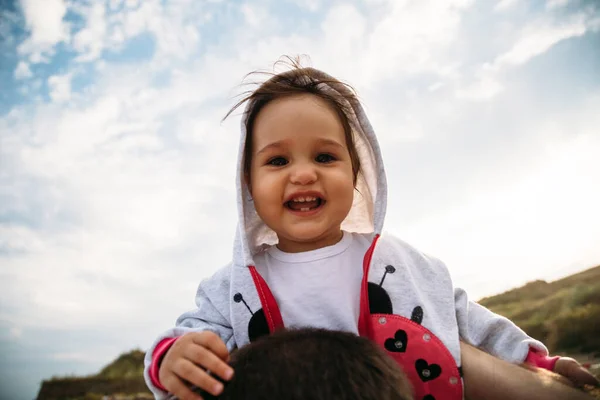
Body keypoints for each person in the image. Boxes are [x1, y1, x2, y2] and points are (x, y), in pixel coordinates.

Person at [144, 58, 598, 400]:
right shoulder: (231, 286)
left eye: (325, 157)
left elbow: (469, 323)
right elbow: (185, 337)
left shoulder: (401, 264)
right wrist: (170, 359)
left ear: (358, 175)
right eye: (277, 161)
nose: (303, 175)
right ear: (249, 185)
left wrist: (541, 362)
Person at [166, 327, 414, 400]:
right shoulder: (224, 285)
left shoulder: (414, 268)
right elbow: (191, 334)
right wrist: (170, 357)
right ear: (248, 198)